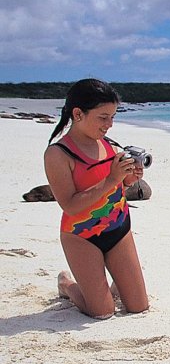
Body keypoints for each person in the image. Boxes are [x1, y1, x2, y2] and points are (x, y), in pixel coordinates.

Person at [44, 79, 149, 319]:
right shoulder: (58, 154)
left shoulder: (109, 145)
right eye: (103, 118)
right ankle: (67, 285)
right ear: (78, 114)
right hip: (82, 237)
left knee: (139, 306)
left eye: (113, 117)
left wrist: (129, 179)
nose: (109, 125)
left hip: (118, 229)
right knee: (101, 312)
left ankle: (115, 280)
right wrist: (112, 179)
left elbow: (117, 187)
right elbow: (69, 205)